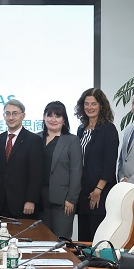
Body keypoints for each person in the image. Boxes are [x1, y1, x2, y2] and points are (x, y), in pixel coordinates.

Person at [75, 88, 119, 242]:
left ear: (101, 106)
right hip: (83, 192)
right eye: (86, 104)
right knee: (84, 238)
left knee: (97, 239)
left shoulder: (108, 129)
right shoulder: (81, 129)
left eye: (94, 104)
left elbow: (110, 162)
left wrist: (98, 190)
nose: (90, 107)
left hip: (100, 192)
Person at [37, 101, 82, 239]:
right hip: (39, 199)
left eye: (58, 116)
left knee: (61, 240)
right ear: (44, 117)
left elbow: (76, 171)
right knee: (41, 240)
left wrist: (71, 199)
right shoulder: (36, 138)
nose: (53, 119)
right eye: (50, 115)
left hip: (63, 200)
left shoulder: (72, 140)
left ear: (64, 120)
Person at [0, 99, 44, 219]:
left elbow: (36, 174)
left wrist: (31, 200)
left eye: (15, 113)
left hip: (23, 204)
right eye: (7, 113)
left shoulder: (34, 140)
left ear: (23, 116)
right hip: (1, 203)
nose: (11, 117)